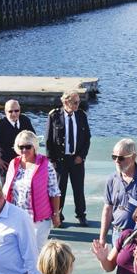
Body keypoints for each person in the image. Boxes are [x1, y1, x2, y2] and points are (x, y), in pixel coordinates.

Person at [3, 130, 62, 251]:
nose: (24, 150)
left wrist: (56, 214)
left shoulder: (45, 164)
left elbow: (54, 192)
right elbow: (6, 190)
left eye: (28, 146)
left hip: (38, 220)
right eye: (21, 147)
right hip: (16, 217)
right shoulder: (14, 163)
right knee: (17, 252)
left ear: (34, 146)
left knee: (35, 252)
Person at [45, 91, 91, 227]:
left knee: (78, 188)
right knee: (59, 189)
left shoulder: (81, 115)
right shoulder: (54, 116)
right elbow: (48, 140)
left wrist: (81, 156)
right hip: (60, 160)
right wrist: (52, 160)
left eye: (78, 102)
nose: (78, 105)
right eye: (75, 102)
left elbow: (87, 138)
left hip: (76, 160)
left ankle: (81, 215)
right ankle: (58, 215)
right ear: (66, 102)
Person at [0, 99, 35, 182]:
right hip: (7, 166)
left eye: (16, 111)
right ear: (5, 112)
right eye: (10, 111)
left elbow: (33, 138)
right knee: (8, 193)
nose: (14, 114)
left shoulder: (25, 120)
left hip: (25, 164)